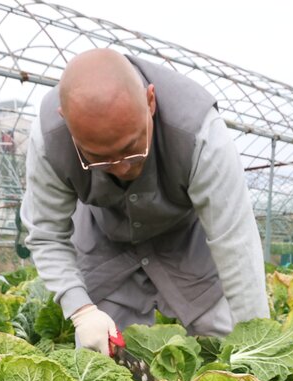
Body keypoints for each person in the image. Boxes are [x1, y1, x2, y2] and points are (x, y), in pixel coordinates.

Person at [21, 48, 267, 354]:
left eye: (131, 148)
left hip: (184, 242)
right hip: (103, 241)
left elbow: (235, 240)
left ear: (150, 101)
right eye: (99, 158)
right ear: (66, 122)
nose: (122, 168)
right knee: (103, 359)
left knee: (225, 338)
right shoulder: (48, 139)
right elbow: (46, 234)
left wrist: (258, 347)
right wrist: (81, 309)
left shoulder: (198, 130)